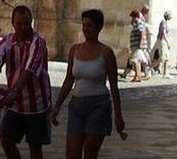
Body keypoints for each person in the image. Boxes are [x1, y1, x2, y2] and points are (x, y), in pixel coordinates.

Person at [51, 9, 126, 159]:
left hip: (99, 106)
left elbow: (114, 86)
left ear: (99, 27)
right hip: (77, 105)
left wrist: (118, 115)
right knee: (72, 154)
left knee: (90, 154)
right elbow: (68, 80)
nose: (86, 28)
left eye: (90, 25)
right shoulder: (74, 50)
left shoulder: (106, 53)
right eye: (84, 25)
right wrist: (57, 105)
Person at [0, 4, 53, 159]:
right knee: (5, 138)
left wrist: (14, 90)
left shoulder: (38, 42)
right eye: (19, 23)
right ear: (12, 23)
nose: (23, 27)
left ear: (31, 22)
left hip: (37, 104)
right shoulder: (6, 42)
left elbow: (30, 69)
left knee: (35, 146)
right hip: (15, 105)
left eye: (26, 23)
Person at [122, 11, 148, 82]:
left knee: (135, 60)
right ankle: (138, 75)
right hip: (135, 45)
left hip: (137, 45)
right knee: (137, 60)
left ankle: (137, 76)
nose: (132, 19)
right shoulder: (137, 24)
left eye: (132, 17)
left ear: (135, 17)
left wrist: (140, 44)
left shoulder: (140, 23)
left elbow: (142, 33)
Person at [152, 10, 173, 79]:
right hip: (162, 41)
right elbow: (164, 33)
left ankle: (165, 73)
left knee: (167, 57)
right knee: (162, 58)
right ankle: (150, 68)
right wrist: (168, 43)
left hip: (163, 41)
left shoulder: (165, 22)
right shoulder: (163, 22)